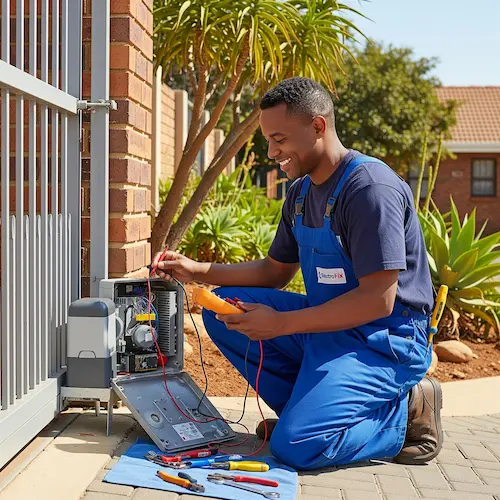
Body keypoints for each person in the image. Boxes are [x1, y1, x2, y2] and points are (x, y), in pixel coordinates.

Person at [152, 76, 443, 471]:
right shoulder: (301, 192)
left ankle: (407, 412)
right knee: (227, 311)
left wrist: (283, 323)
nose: (272, 151)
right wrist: (196, 270)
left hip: (384, 339)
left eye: (279, 139)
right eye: (269, 140)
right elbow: (275, 272)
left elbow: (379, 299)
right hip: (327, 327)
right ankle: (306, 418)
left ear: (318, 127)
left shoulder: (369, 190)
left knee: (295, 448)